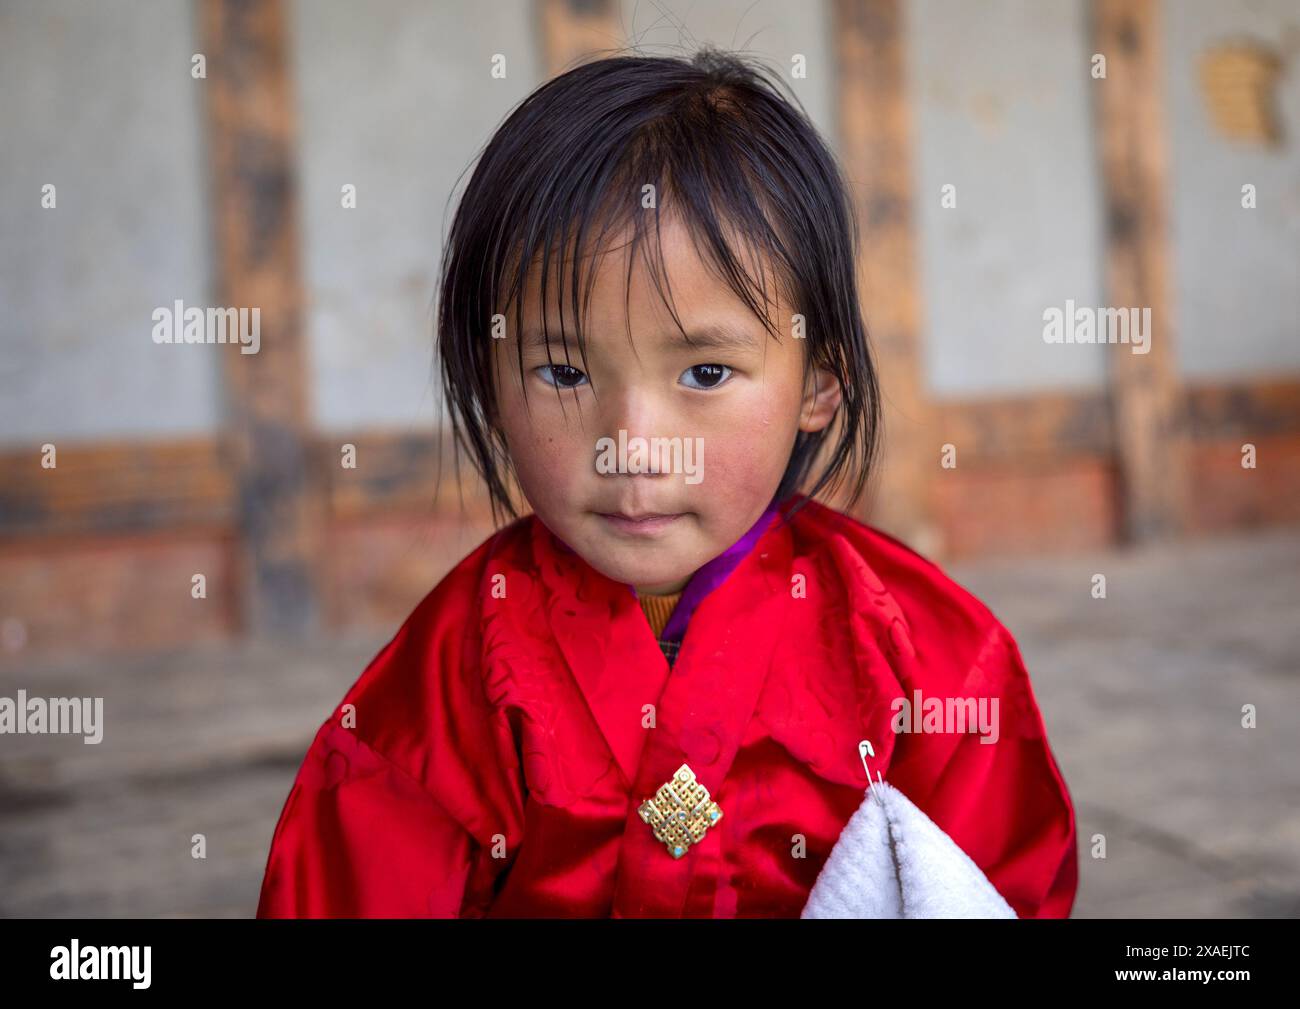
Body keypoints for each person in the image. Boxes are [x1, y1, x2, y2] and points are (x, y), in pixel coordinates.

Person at [255, 47, 1078, 919]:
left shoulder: (929, 657)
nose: (632, 447)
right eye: (565, 373)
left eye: (707, 373)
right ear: (488, 380)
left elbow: (995, 890)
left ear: (819, 383)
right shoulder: (454, 676)